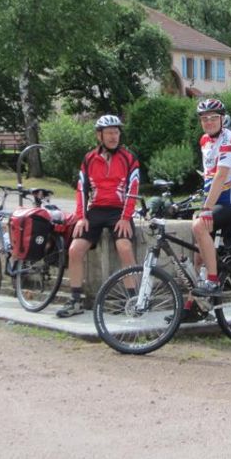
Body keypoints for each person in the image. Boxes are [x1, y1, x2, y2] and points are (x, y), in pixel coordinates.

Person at [56, 114, 141, 318]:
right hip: (95, 211)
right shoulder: (89, 159)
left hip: (119, 211)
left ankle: (134, 300)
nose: (113, 137)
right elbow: (81, 190)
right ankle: (76, 300)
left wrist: (125, 217)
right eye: (109, 133)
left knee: (125, 248)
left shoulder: (129, 159)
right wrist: (81, 217)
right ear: (99, 136)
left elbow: (133, 189)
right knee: (74, 250)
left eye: (116, 132)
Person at [189, 98, 231, 298]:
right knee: (198, 256)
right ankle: (194, 303)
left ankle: (213, 282)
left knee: (199, 226)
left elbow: (221, 176)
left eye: (213, 118)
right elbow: (209, 175)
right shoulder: (205, 141)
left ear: (222, 119)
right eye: (204, 119)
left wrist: (206, 209)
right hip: (215, 201)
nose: (209, 122)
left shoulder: (230, 140)